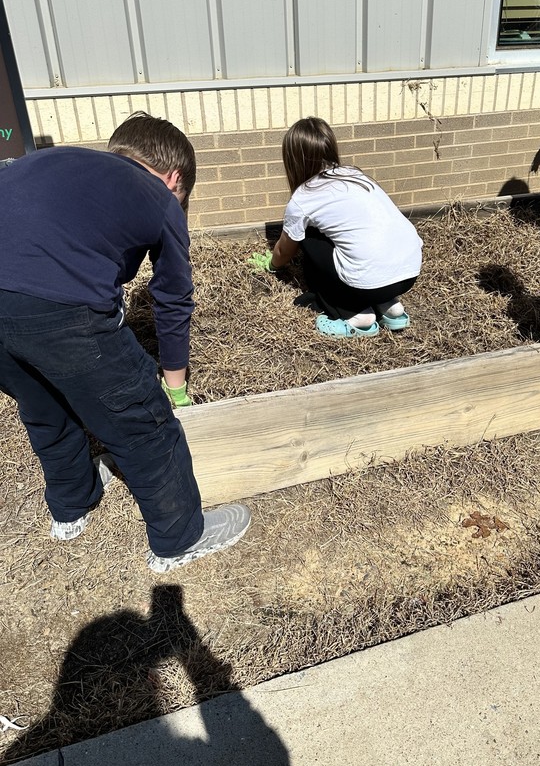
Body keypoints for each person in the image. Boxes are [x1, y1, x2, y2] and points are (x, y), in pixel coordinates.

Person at [0, 112, 250, 571]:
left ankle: (71, 510)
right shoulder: (159, 197)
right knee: (144, 424)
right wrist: (174, 389)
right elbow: (172, 300)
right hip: (64, 312)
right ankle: (180, 539)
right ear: (174, 178)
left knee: (44, 406)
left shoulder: (49, 161)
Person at [249, 116, 422, 338]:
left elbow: (283, 252)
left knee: (307, 236)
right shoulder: (355, 175)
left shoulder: (304, 197)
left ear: (293, 160)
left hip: (370, 281)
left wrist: (272, 265)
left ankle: (357, 317)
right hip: (409, 272)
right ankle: (390, 307)